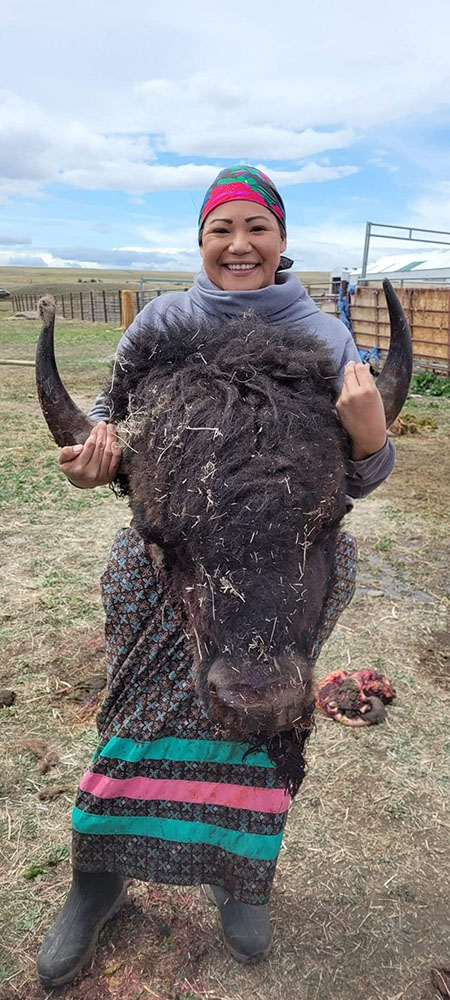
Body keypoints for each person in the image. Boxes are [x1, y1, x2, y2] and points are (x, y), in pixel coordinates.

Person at [37, 166, 393, 988]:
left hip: (287, 574)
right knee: (134, 715)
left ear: (280, 239)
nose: (239, 245)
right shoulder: (160, 323)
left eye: (256, 228)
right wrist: (93, 463)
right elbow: (106, 426)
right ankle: (97, 882)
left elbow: (360, 482)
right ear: (200, 242)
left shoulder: (328, 338)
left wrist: (372, 438)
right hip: (170, 560)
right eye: (220, 230)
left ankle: (240, 882)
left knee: (269, 726)